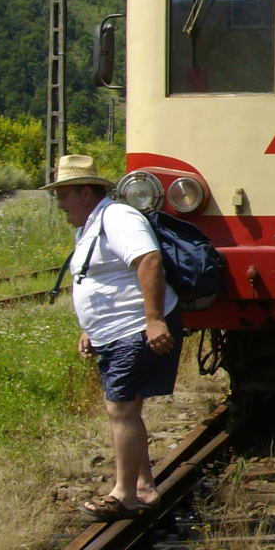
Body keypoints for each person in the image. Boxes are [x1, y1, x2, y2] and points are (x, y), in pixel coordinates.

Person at [44, 155, 181, 521]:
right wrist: (90, 327)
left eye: (63, 195)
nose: (59, 204)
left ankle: (124, 495)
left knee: (120, 408)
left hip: (133, 327)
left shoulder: (118, 218)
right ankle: (145, 488)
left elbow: (149, 261)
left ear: (85, 192)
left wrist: (154, 321)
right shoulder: (91, 224)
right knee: (128, 406)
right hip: (114, 331)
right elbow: (99, 278)